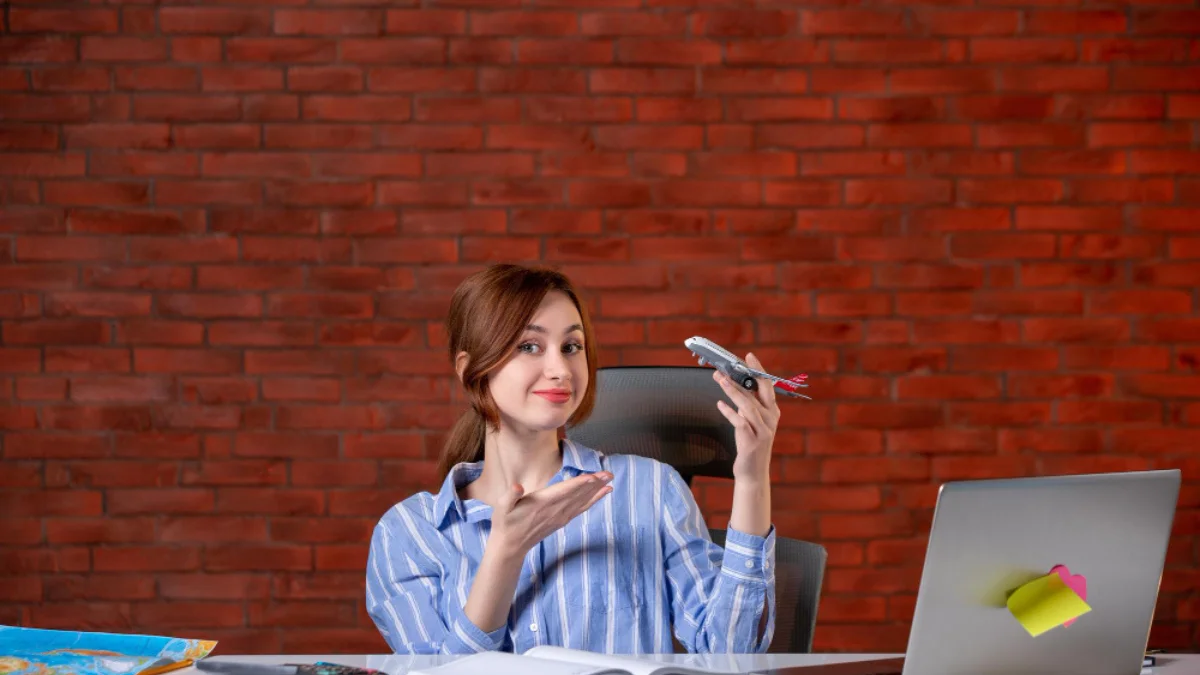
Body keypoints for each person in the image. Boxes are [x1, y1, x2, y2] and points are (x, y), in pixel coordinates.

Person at [365, 263, 781, 655]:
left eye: (571, 346)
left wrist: (751, 479)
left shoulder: (649, 489)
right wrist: (505, 553)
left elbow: (731, 653)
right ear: (472, 369)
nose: (560, 369)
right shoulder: (409, 535)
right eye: (529, 346)